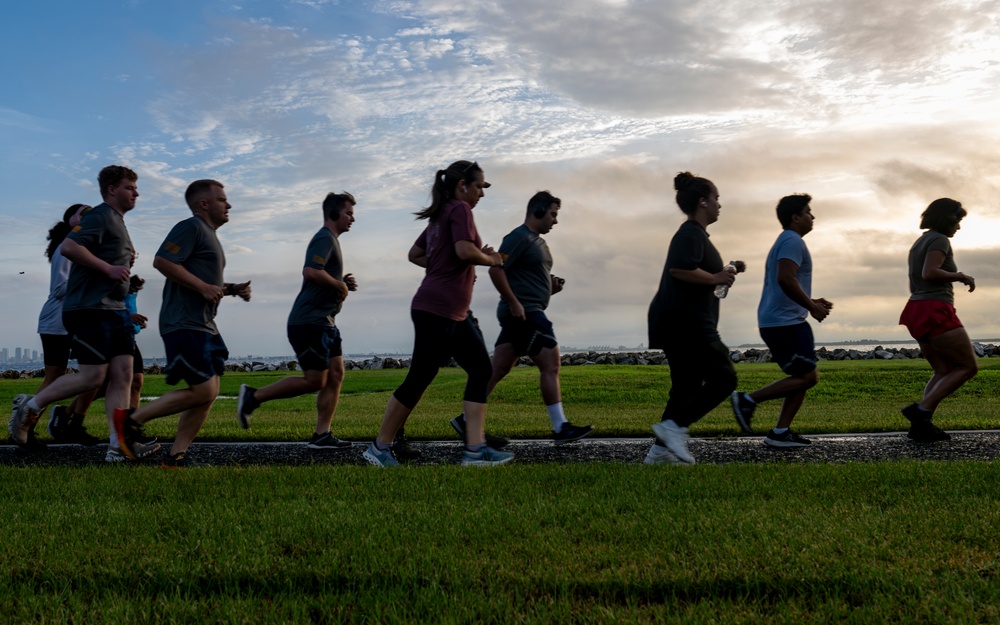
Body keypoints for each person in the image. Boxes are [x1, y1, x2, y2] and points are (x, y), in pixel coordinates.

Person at [363, 160, 511, 467]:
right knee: (420, 376)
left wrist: (444, 264)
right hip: (439, 310)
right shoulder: (459, 209)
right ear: (463, 186)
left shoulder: (439, 216)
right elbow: (463, 251)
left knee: (481, 370)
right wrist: (491, 258)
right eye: (480, 186)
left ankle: (474, 449)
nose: (482, 194)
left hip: (450, 311)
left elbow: (415, 255)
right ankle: (380, 447)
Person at [10, 166, 152, 461]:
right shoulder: (99, 215)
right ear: (112, 189)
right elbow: (70, 248)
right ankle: (31, 407)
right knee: (92, 378)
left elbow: (108, 268)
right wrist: (109, 267)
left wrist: (124, 275)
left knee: (124, 375)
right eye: (129, 187)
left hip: (113, 309)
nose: (136, 193)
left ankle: (119, 446)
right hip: (89, 309)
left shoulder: (117, 222)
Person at [115, 179, 251, 467]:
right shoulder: (191, 227)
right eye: (222, 200)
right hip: (184, 322)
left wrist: (230, 289)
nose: (228, 205)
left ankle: (176, 456)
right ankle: (130, 421)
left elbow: (204, 282)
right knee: (202, 390)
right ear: (204, 203)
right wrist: (204, 287)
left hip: (204, 323)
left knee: (208, 393)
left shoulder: (209, 235)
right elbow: (163, 261)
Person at [456, 190, 592, 445]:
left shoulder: (538, 242)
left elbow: (526, 278)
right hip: (524, 313)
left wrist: (550, 287)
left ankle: (466, 420)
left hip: (527, 309)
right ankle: (560, 426)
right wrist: (513, 302)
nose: (555, 220)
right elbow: (497, 271)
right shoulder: (518, 238)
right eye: (553, 214)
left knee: (498, 369)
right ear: (538, 211)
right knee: (551, 362)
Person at [236, 192, 358, 449]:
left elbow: (322, 276)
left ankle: (322, 434)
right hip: (309, 322)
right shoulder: (324, 238)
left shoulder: (332, 241)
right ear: (334, 213)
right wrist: (338, 284)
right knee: (315, 379)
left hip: (326, 322)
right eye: (348, 213)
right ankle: (252, 397)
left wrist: (341, 284)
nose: (352, 218)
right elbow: (311, 271)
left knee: (335, 375)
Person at [645, 172, 745, 465]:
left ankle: (659, 453)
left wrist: (723, 274)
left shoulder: (696, 235)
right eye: (716, 199)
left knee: (687, 387)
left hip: (679, 320)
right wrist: (715, 276)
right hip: (686, 322)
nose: (719, 205)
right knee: (725, 378)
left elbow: (696, 274)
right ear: (703, 202)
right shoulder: (690, 233)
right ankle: (673, 428)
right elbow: (679, 268)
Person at [730, 194, 833, 448]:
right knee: (808, 377)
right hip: (786, 323)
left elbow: (789, 282)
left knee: (803, 376)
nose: (813, 216)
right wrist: (811, 307)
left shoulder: (786, 241)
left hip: (782, 320)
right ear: (795, 217)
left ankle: (780, 432)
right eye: (808, 212)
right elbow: (785, 279)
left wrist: (810, 300)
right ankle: (747, 400)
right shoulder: (792, 241)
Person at [897, 198, 977, 442]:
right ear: (948, 218)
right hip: (934, 308)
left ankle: (922, 426)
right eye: (958, 221)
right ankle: (921, 411)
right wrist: (960, 275)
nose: (959, 228)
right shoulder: (939, 239)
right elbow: (930, 273)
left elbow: (918, 277)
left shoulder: (921, 241)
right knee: (967, 367)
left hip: (917, 308)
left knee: (943, 370)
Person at [34, 204, 103, 447]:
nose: (87, 217)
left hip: (75, 320)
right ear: (70, 219)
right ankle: (25, 423)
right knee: (54, 377)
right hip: (56, 321)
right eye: (82, 214)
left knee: (97, 374)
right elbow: (60, 289)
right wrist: (95, 277)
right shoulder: (66, 248)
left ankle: (68, 419)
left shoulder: (80, 248)